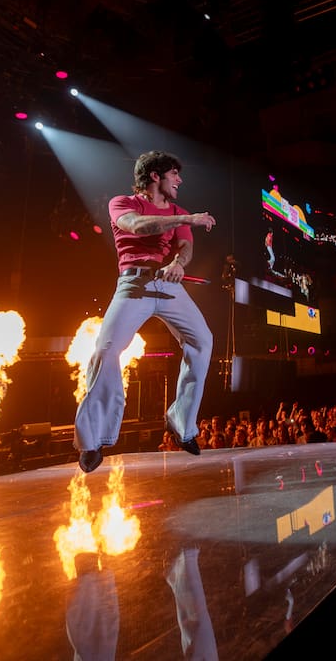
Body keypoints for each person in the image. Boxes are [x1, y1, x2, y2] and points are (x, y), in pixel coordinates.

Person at [74, 150, 216, 472]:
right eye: (174, 174)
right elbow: (138, 226)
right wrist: (185, 218)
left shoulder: (180, 211)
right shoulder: (123, 203)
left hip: (168, 287)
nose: (179, 180)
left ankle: (181, 423)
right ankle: (94, 440)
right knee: (105, 352)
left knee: (202, 341)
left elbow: (185, 246)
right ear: (155, 176)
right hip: (133, 285)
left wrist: (179, 263)